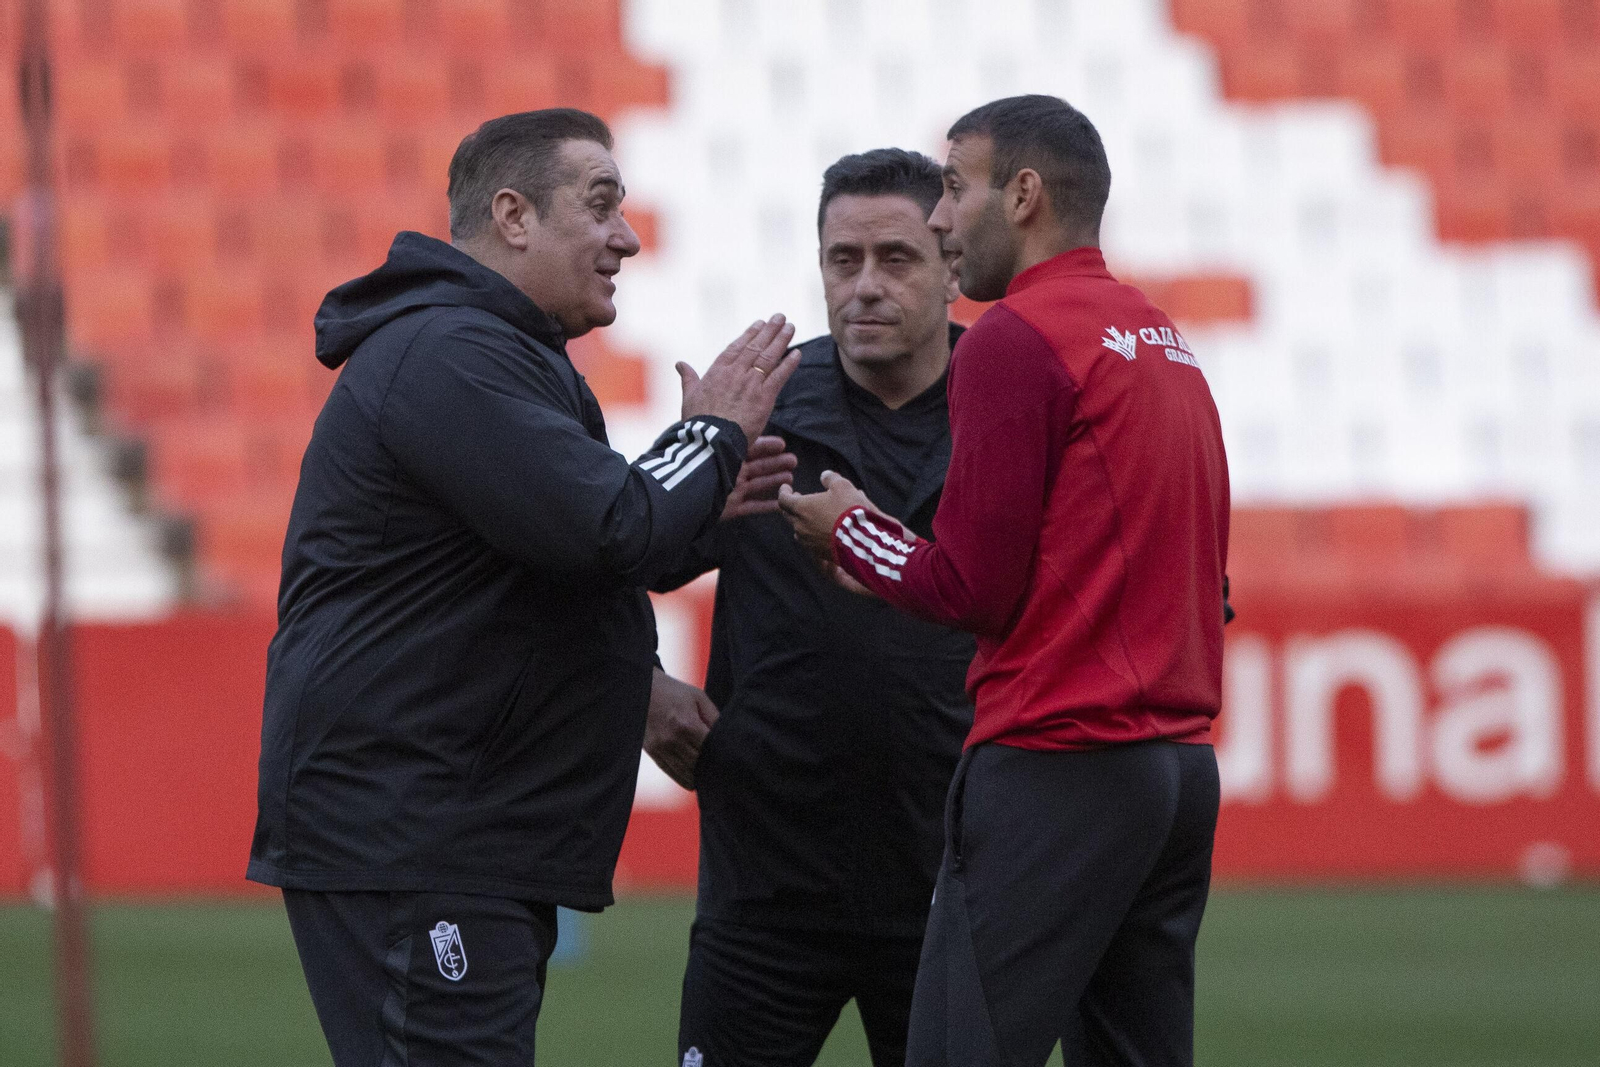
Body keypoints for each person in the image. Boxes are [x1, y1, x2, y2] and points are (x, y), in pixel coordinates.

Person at [247, 108, 799, 1065]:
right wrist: (710, 434)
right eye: (600, 205)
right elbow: (612, 523)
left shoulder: (493, 352)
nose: (627, 236)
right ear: (512, 215)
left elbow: (584, 547)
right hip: (417, 834)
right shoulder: (448, 352)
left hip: (457, 833)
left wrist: (704, 508)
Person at [781, 95, 1231, 1067]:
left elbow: (971, 587)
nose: (939, 219)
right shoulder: (1157, 337)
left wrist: (852, 532)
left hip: (1059, 762)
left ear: (1022, 195)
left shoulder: (1014, 338)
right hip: (1175, 770)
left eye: (953, 187)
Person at [645, 149, 975, 1067]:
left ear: (952, 265)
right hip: (768, 886)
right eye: (842, 260)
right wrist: (640, 685)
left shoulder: (1013, 403)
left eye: (895, 259)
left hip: (954, 877)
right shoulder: (756, 408)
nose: (864, 286)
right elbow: (599, 549)